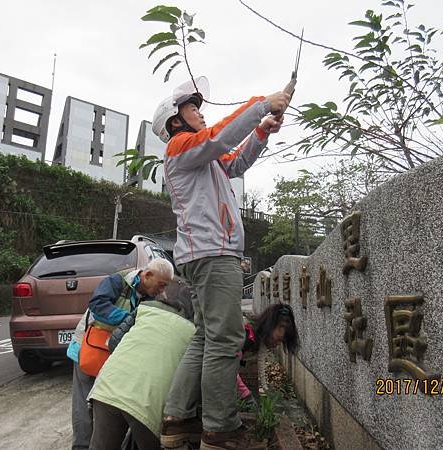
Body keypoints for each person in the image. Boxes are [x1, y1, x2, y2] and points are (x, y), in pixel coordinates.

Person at [152, 76, 291, 450]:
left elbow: (236, 160)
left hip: (201, 256)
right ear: (174, 121)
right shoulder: (183, 146)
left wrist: (262, 130)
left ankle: (177, 418)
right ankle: (219, 428)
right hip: (213, 254)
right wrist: (263, 103)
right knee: (226, 339)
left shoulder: (200, 158)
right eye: (191, 107)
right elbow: (220, 137)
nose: (199, 111)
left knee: (205, 336)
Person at [67, 258, 174, 450]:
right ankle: (81, 447)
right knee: (83, 407)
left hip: (115, 356)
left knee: (105, 405)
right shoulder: (118, 281)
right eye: (161, 285)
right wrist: (131, 318)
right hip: (88, 349)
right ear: (148, 275)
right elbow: (97, 305)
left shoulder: (152, 299)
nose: (162, 291)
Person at [87, 276, 196, 450]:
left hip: (107, 388)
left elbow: (114, 342)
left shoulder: (144, 310)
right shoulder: (194, 333)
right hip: (146, 402)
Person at [237, 303, 300, 408]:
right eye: (279, 340)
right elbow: (228, 369)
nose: (277, 345)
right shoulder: (246, 336)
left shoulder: (260, 337)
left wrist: (265, 388)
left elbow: (260, 360)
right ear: (271, 326)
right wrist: (246, 395)